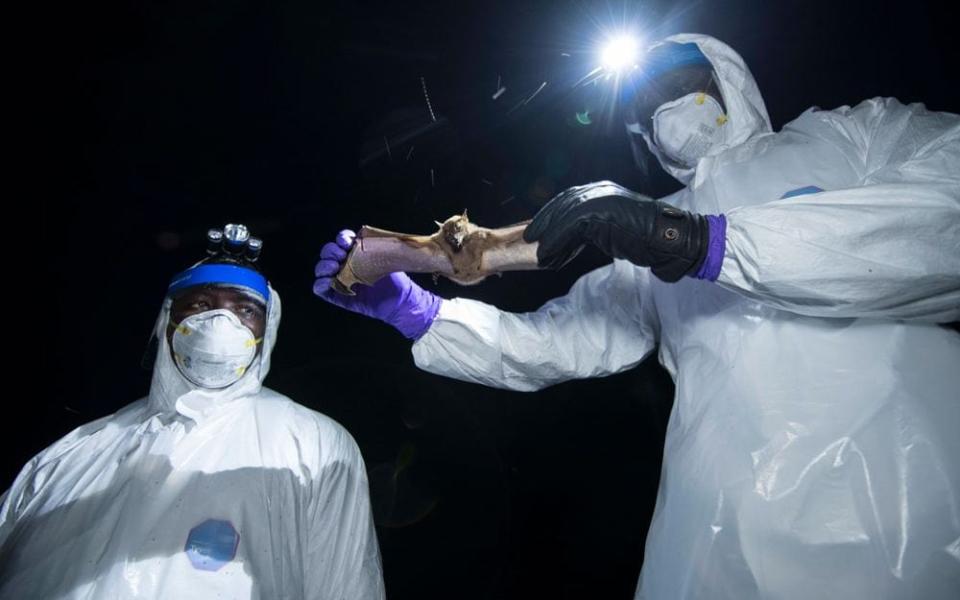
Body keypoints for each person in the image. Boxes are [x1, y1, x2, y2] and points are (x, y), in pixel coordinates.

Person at [314, 33, 960, 599]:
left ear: (728, 78)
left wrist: (696, 241)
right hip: (724, 507)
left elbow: (945, 221)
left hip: (901, 478)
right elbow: (558, 340)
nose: (665, 102)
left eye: (682, 81)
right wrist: (418, 311)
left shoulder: (849, 135)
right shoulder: (646, 225)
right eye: (646, 100)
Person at [2, 224, 385, 599]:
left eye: (245, 309)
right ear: (167, 321)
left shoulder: (313, 444)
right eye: (200, 304)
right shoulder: (71, 454)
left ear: (266, 330)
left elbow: (346, 583)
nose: (220, 321)